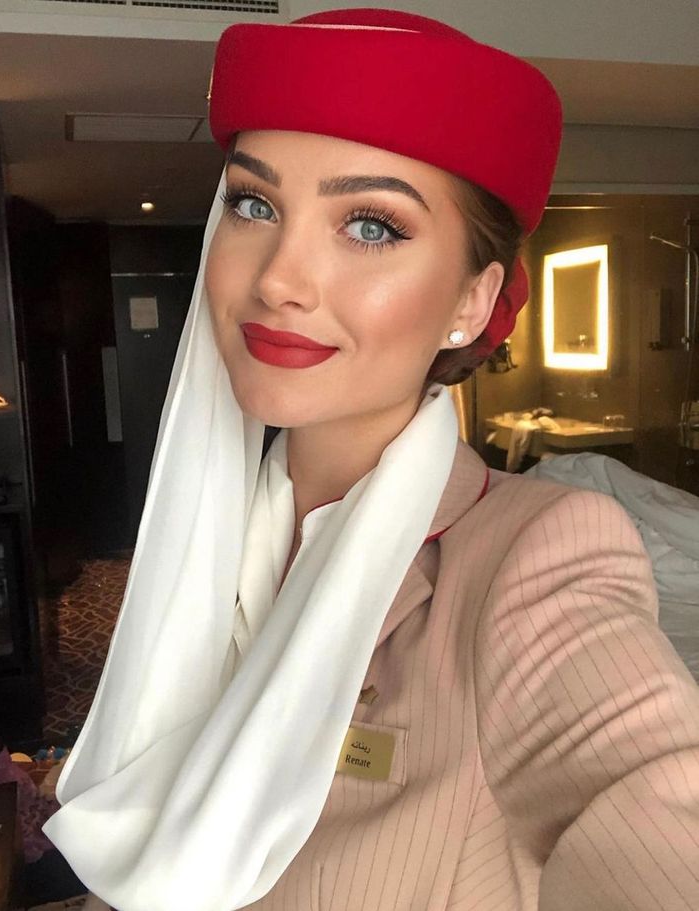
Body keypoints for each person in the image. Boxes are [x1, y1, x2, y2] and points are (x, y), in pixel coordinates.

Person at [43, 9, 699, 911]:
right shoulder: (199, 539)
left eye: (372, 226)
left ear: (472, 301)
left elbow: (650, 804)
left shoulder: (536, 558)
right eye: (253, 204)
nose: (278, 277)